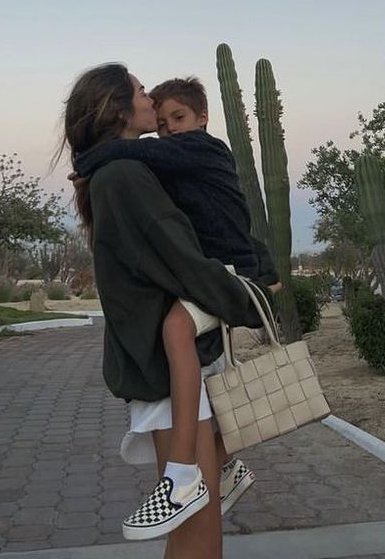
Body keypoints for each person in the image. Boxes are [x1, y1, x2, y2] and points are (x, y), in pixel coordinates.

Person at [60, 63, 262, 557]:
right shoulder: (125, 174)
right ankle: (194, 473)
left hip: (164, 373)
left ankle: (214, 468)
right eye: (140, 93)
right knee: (199, 538)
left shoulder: (121, 172)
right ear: (120, 109)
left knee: (194, 531)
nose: (150, 100)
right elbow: (180, 259)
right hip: (168, 381)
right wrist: (250, 297)